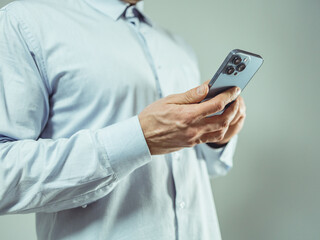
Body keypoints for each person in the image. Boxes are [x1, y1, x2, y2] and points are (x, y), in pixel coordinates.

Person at [0, 0, 246, 239]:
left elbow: (196, 166)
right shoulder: (25, 23)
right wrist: (140, 139)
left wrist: (217, 138)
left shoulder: (178, 48)